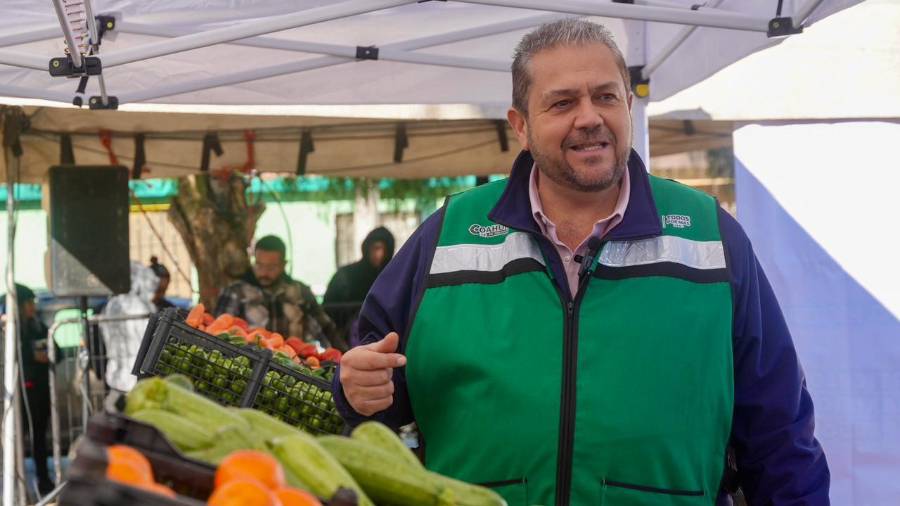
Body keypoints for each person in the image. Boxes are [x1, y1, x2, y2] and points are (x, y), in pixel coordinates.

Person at [335, 19, 828, 506]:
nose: (589, 117)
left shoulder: (709, 234)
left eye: (606, 96)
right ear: (521, 126)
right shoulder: (449, 233)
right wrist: (354, 389)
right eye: (563, 102)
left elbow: (779, 430)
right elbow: (373, 381)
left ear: (629, 107)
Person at [215, 235, 344, 350]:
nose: (264, 272)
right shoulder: (236, 292)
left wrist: (343, 357)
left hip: (295, 367)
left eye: (271, 267)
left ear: (284, 264)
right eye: (259, 265)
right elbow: (220, 334)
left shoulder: (300, 292)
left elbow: (327, 330)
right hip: (249, 367)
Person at [1, 284, 55, 495]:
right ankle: (13, 483)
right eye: (29, 303)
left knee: (39, 440)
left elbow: (56, 352)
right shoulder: (8, 329)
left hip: (39, 394)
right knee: (13, 440)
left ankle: (43, 480)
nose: (33, 307)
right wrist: (31, 356)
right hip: (17, 396)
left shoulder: (37, 326)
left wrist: (47, 353)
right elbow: (8, 357)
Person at [323, 226, 395, 346]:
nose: (378, 254)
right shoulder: (346, 275)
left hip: (386, 342)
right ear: (366, 248)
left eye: (383, 249)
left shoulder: (395, 277)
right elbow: (327, 312)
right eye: (375, 248)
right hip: (348, 343)